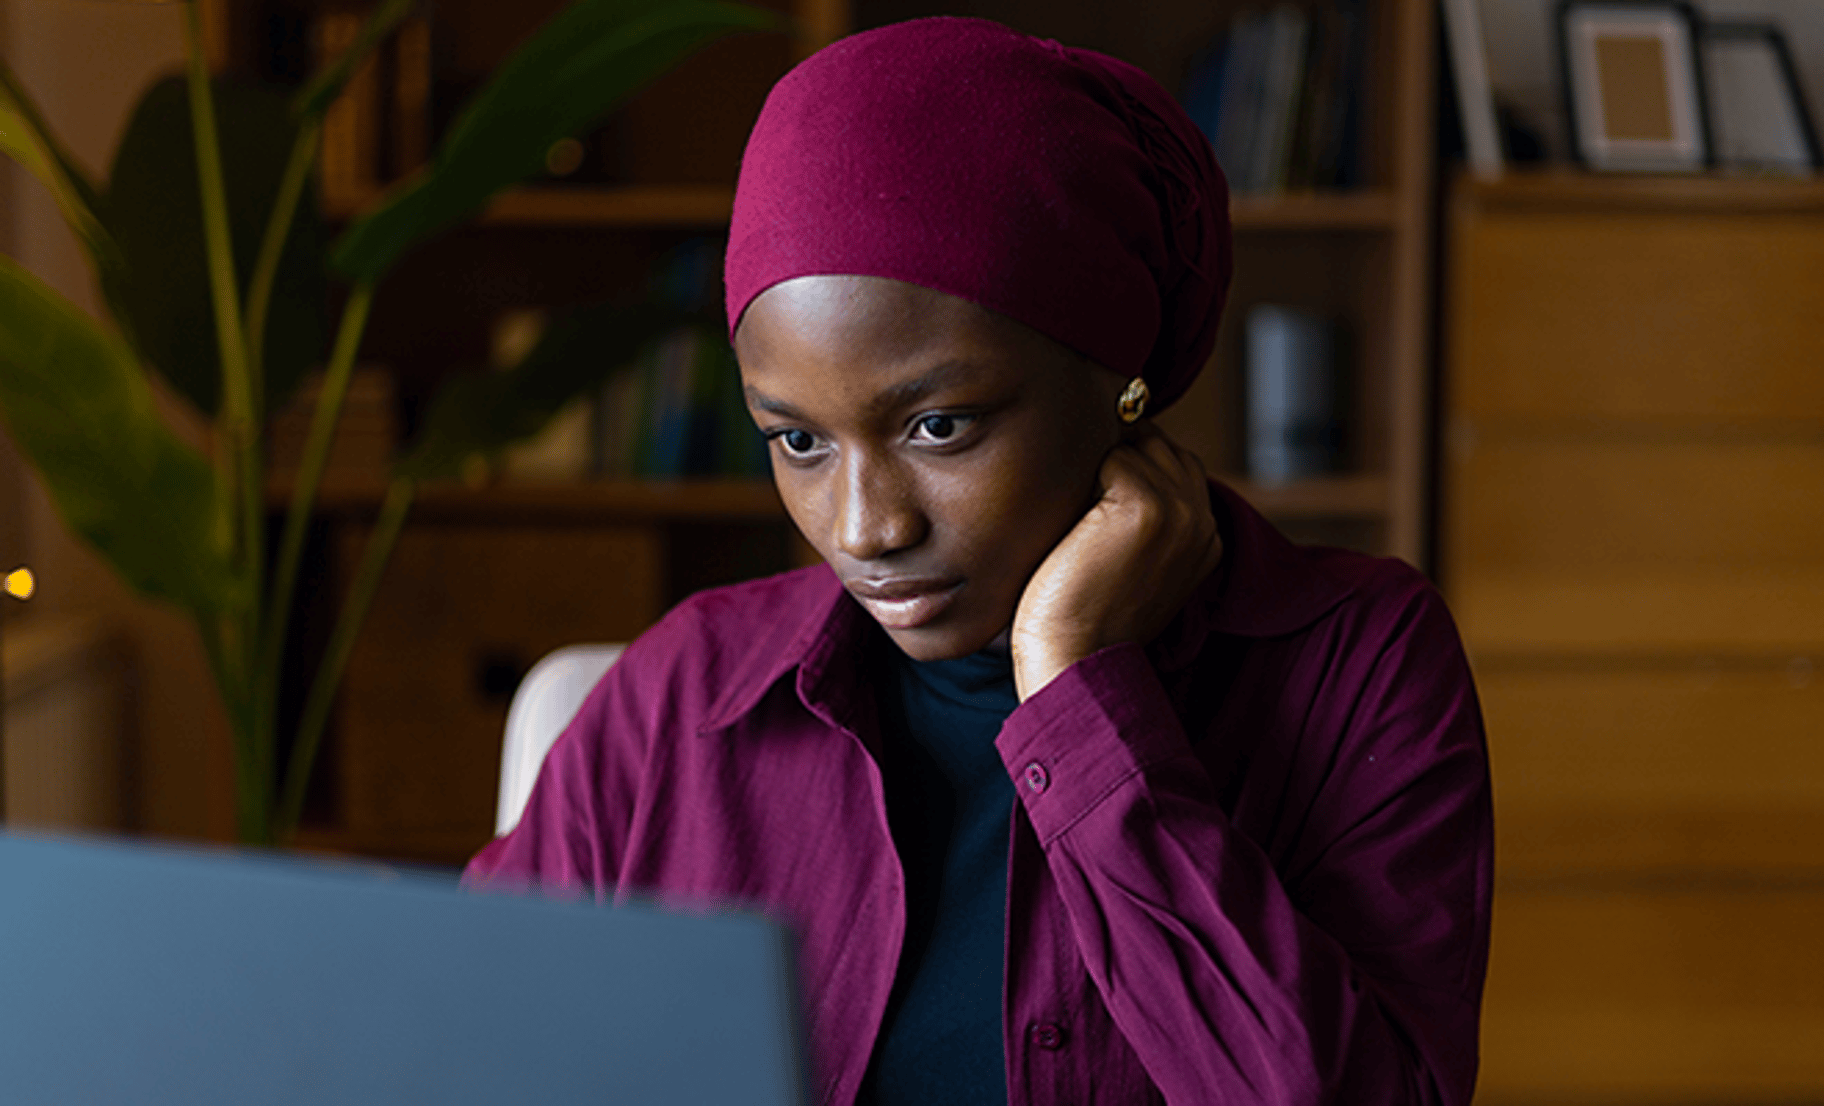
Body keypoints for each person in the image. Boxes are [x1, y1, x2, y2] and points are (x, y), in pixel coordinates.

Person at [466, 17, 1491, 1106]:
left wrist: (1078, 689)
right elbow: (463, 1051)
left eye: (939, 426)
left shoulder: (1356, 665)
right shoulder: (682, 694)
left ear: (1120, 382)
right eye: (799, 441)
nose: (866, 528)